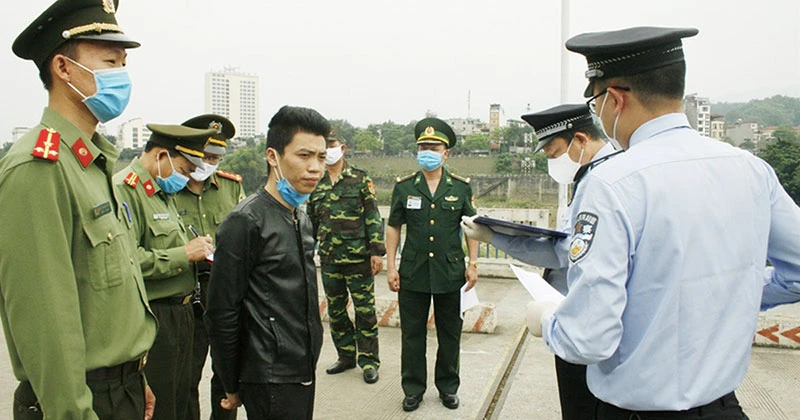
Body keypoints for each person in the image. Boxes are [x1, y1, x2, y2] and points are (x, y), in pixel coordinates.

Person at [525, 26, 800, 419]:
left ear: (615, 99)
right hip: (724, 408)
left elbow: (589, 338)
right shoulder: (751, 169)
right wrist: (732, 288)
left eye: (595, 104)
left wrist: (547, 320)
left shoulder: (612, 183)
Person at [0, 1, 158, 418]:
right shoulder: (38, 167)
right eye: (109, 62)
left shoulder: (92, 163)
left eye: (123, 64)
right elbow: (45, 321)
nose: (121, 75)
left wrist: (134, 377)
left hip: (120, 388)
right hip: (80, 400)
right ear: (63, 68)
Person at [461, 103, 619, 420]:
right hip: (581, 316)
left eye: (553, 152)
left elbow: (562, 252)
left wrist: (496, 238)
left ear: (580, 139)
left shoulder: (602, 182)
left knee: (582, 407)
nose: (552, 162)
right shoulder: (594, 176)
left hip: (585, 322)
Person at [205, 105, 327, 419]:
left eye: (321, 157)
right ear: (273, 156)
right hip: (269, 372)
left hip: (301, 365)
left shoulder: (300, 216)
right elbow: (222, 310)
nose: (315, 168)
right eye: (304, 156)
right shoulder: (246, 221)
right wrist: (229, 382)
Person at [114, 124, 216, 420]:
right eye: (184, 170)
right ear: (161, 156)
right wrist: (184, 254)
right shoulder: (125, 190)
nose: (185, 178)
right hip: (155, 315)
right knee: (161, 404)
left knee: (183, 397)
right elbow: (126, 260)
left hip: (182, 313)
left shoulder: (161, 193)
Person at [385, 117, 479, 412]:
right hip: (412, 272)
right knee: (412, 335)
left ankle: (448, 387)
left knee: (450, 334)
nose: (427, 152)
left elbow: (472, 228)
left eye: (434, 148)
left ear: (445, 153)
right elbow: (393, 226)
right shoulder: (404, 188)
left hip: (450, 272)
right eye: (423, 147)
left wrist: (473, 263)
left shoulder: (460, 188)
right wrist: (391, 266)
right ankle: (413, 389)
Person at [175, 114, 245, 420]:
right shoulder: (169, 187)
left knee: (227, 374)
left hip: (226, 290)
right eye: (204, 156)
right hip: (187, 293)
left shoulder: (231, 187)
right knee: (185, 375)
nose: (209, 163)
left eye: (215, 158)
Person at [307, 131, 386, 384]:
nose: (328, 151)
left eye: (332, 146)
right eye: (325, 146)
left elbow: (372, 215)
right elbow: (310, 221)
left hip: (358, 258)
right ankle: (346, 356)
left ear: (342, 148)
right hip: (329, 259)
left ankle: (369, 361)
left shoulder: (359, 178)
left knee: (365, 311)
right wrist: (306, 251)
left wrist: (377, 251)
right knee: (336, 311)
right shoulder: (316, 180)